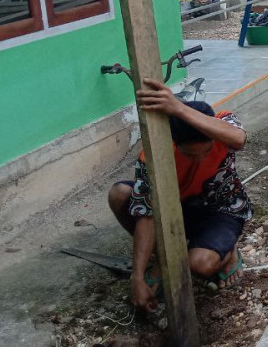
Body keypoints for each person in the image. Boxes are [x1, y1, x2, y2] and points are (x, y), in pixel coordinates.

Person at [108, 79, 252, 313]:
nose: (199, 159)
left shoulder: (223, 125)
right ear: (174, 143)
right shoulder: (154, 155)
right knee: (119, 194)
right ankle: (165, 260)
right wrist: (137, 276)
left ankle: (229, 250)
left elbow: (239, 138)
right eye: (190, 154)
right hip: (179, 210)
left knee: (201, 264)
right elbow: (147, 214)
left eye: (205, 152)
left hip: (221, 209)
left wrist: (177, 107)